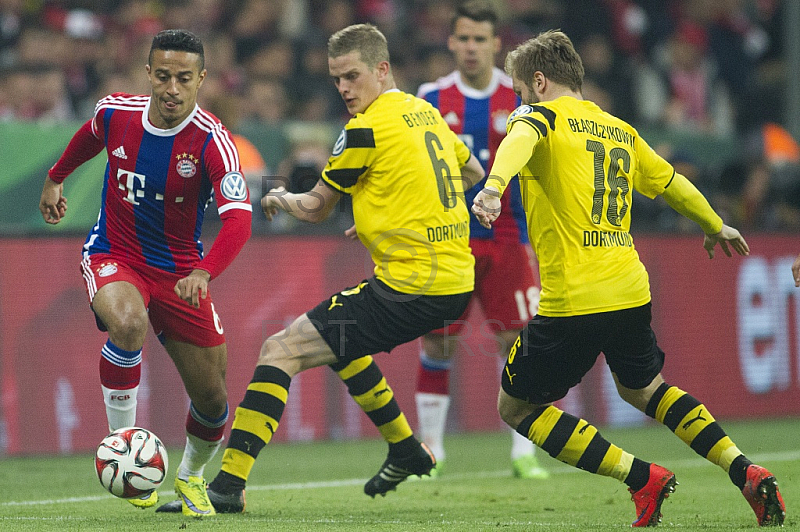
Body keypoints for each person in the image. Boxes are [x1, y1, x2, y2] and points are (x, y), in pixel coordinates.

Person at [156, 23, 484, 514]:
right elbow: (472, 172)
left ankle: (227, 486)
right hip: (453, 280)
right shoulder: (425, 112)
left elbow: (317, 208)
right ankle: (405, 448)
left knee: (280, 349)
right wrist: (391, 215)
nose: (344, 88)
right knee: (339, 343)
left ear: (381, 69)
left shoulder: (365, 129)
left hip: (412, 287)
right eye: (336, 79)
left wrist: (279, 196)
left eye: (352, 76)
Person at [471, 30, 786, 527]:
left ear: (538, 80)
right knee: (645, 389)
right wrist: (714, 224)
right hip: (629, 290)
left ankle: (640, 477)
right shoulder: (618, 129)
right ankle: (743, 468)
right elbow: (671, 182)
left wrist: (492, 188)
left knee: (515, 407)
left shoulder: (537, 116)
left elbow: (521, 138)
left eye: (520, 89)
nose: (518, 101)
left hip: (573, 300)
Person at [38, 29, 252, 517]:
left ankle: (192, 478)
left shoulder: (213, 140)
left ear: (201, 80)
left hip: (180, 273)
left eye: (183, 78)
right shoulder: (116, 112)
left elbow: (239, 218)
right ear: (149, 75)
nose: (171, 88)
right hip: (116, 253)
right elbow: (88, 137)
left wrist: (205, 271)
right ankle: (125, 450)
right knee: (128, 323)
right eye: (162, 76)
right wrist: (54, 177)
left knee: (214, 401)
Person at [413, 0, 547, 480]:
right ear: (451, 41)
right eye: (463, 38)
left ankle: (523, 452)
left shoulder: (519, 101)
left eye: (480, 39)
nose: (471, 47)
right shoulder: (429, 97)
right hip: (449, 241)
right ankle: (432, 450)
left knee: (518, 342)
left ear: (496, 43)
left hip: (509, 238)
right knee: (438, 342)